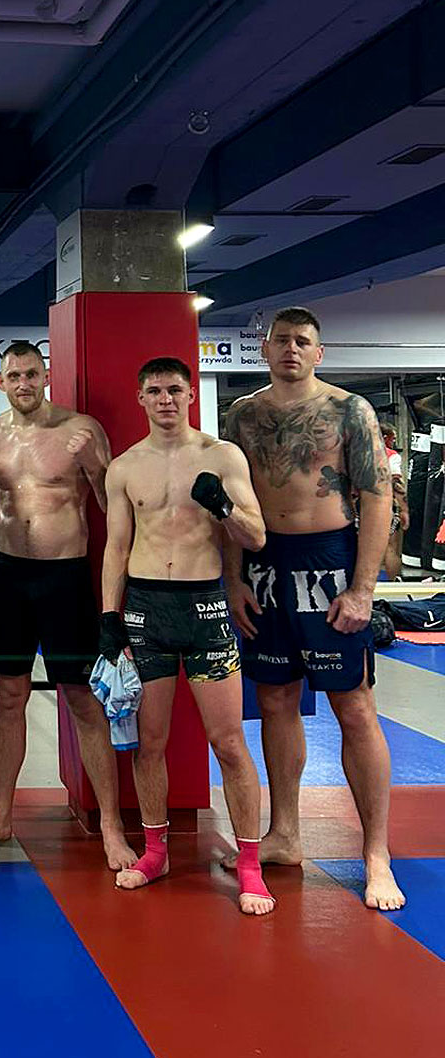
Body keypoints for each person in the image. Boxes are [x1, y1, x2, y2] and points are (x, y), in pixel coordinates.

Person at [224, 306, 404, 911]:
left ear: (319, 352)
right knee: (275, 700)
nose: (291, 349)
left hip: (331, 558)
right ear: (265, 348)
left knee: (354, 705)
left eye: (303, 341)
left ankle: (376, 854)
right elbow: (233, 504)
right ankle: (284, 833)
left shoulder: (350, 410)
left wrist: (363, 589)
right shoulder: (242, 415)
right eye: (281, 340)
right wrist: (233, 579)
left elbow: (377, 499)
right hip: (265, 561)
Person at [100, 357, 274, 915]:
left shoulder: (223, 456)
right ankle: (156, 852)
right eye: (155, 391)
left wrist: (222, 506)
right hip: (146, 609)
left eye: (175, 389)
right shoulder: (125, 467)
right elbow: (116, 547)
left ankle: (250, 865)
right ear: (141, 398)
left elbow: (256, 535)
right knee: (149, 742)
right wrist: (109, 616)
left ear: (191, 394)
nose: (166, 400)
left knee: (229, 742)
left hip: (205, 607)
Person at [0, 341, 135, 869]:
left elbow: (111, 507)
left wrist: (94, 465)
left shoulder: (80, 429)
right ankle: (0, 815)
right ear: (0, 382)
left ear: (46, 377)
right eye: (14, 376)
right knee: (8, 697)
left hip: (66, 576)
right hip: (7, 576)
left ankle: (110, 825)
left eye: (32, 374)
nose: (24, 383)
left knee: (82, 699)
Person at [381, 424, 406, 579]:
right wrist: (404, 508)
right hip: (383, 503)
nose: (393, 442)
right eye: (393, 439)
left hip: (358, 505)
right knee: (391, 546)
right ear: (385, 438)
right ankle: (392, 581)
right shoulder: (391, 455)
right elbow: (395, 481)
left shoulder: (356, 452)